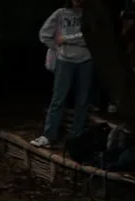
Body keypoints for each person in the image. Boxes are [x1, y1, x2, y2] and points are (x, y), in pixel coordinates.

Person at [32, 0, 93, 149]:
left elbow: (89, 38)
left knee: (83, 99)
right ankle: (49, 135)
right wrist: (57, 47)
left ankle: (76, 136)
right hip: (64, 60)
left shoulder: (89, 15)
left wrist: (66, 39)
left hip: (86, 59)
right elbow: (45, 34)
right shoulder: (61, 14)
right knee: (58, 98)